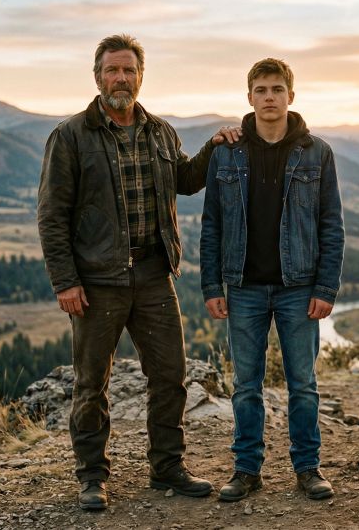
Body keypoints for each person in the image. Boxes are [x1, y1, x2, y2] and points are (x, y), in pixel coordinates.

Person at [37, 34, 233, 511]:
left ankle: (167, 467)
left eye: (128, 70)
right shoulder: (70, 136)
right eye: (111, 70)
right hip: (97, 281)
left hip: (153, 275)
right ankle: (92, 477)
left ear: (140, 76)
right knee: (90, 383)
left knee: (170, 375)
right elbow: (52, 214)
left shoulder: (161, 132)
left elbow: (184, 181)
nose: (120, 78)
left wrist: (214, 146)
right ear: (98, 76)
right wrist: (65, 281)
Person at [200, 58, 345, 502]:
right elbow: (212, 224)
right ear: (249, 98)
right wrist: (211, 286)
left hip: (299, 287)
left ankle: (308, 468)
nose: (268, 97)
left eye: (276, 89)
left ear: (290, 97)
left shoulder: (316, 153)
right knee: (246, 386)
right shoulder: (227, 153)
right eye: (260, 90)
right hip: (242, 286)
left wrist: (325, 287)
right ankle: (246, 470)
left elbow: (331, 224)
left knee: (303, 383)